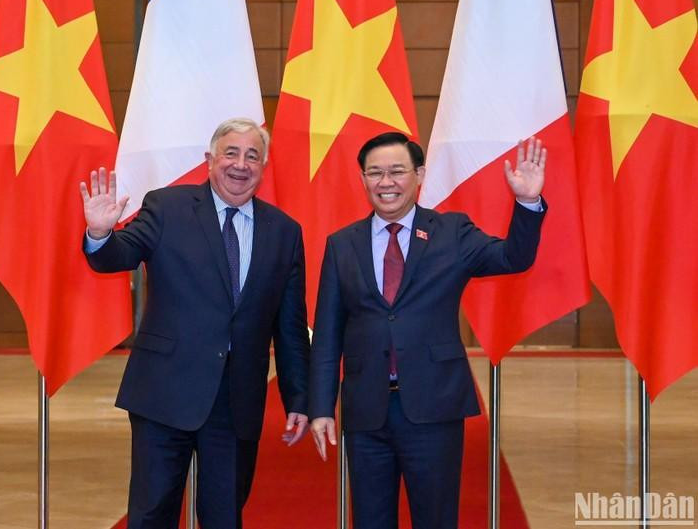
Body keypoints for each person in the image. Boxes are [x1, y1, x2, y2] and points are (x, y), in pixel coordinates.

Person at [308, 132, 547, 529]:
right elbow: (328, 334)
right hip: (366, 412)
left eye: (397, 171)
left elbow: (513, 257)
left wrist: (527, 202)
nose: (386, 183)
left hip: (434, 408)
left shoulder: (451, 233)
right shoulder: (341, 244)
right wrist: (321, 407)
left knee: (435, 518)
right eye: (375, 173)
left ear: (418, 175)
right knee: (370, 519)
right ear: (363, 178)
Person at [80, 118, 310, 529]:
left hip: (236, 402)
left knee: (225, 517)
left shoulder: (285, 232)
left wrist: (299, 399)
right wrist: (100, 234)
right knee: (152, 515)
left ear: (264, 166)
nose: (241, 164)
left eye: (252, 156)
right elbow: (121, 254)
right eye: (231, 153)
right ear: (209, 160)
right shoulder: (167, 206)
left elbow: (289, 327)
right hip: (164, 394)